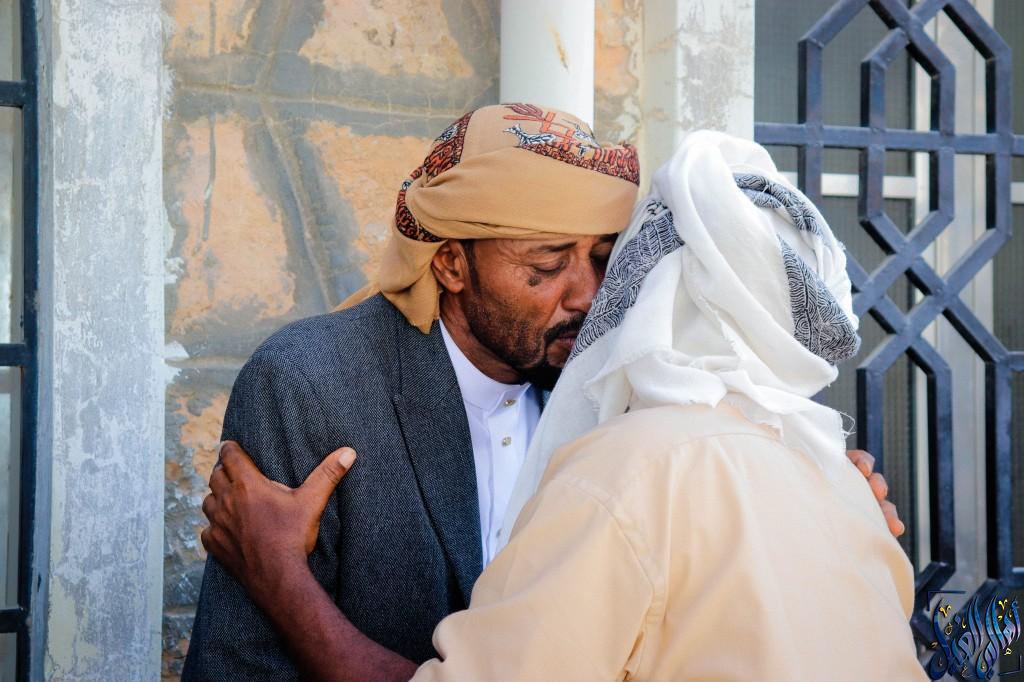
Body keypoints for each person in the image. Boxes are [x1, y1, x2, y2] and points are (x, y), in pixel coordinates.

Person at [199, 131, 920, 681]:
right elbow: (241, 662)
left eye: (606, 260)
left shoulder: (633, 417)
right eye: (546, 266)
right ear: (450, 263)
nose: (586, 295)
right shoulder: (313, 382)